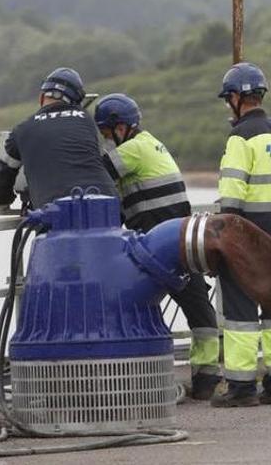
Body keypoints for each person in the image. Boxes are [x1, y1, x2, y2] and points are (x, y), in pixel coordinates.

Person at [93, 93, 221, 401]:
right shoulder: (150, 143)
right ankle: (206, 378)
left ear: (121, 127)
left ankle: (141, 376)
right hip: (178, 238)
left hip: (160, 245)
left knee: (136, 303)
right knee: (198, 307)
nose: (106, 139)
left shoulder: (133, 150)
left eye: (106, 133)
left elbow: (97, 174)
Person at [214, 62, 271, 407]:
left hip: (247, 238)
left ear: (237, 98)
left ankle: (242, 386)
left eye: (227, 99)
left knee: (239, 312)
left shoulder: (239, 138)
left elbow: (231, 199)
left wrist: (222, 240)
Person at [0, 67, 118, 209]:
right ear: (76, 103)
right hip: (106, 205)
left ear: (41, 97)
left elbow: (1, 177)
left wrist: (4, 200)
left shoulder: (22, 131)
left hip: (56, 212)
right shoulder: (85, 120)